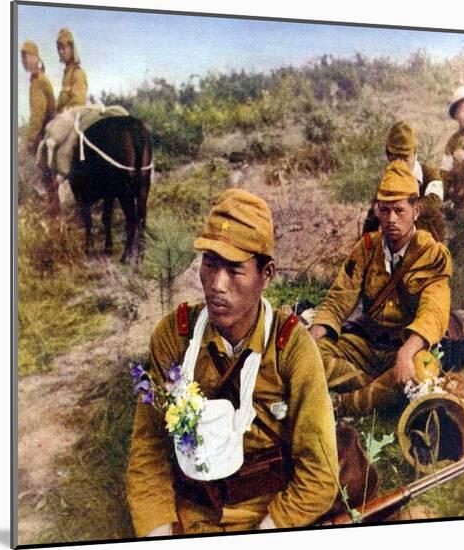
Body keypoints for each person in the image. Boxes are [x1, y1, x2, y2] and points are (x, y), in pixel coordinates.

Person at [127, 189, 338, 537]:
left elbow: (320, 471)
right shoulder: (174, 336)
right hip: (191, 514)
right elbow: (148, 451)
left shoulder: (291, 348)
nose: (216, 285)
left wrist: (270, 530)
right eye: (210, 264)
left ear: (266, 274)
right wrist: (158, 532)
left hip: (268, 513)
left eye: (234, 269)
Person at [310, 160, 452, 417]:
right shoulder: (366, 247)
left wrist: (406, 353)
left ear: (416, 210)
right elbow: (339, 299)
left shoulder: (431, 254)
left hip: (404, 348)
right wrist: (312, 336)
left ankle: (344, 404)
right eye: (384, 211)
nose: (391, 219)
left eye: (399, 210)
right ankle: (380, 390)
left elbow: (434, 312)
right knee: (311, 352)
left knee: (419, 371)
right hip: (366, 345)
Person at [363, 121, 445, 242]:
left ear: (415, 154)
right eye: (395, 157)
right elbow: (372, 220)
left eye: (405, 157)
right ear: (388, 155)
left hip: (428, 239)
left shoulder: (429, 174)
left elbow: (435, 201)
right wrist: (365, 245)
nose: (400, 163)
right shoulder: (388, 179)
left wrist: (406, 209)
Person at [440, 85, 464, 214]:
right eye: (461, 110)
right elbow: (445, 172)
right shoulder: (452, 141)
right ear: (456, 116)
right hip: (460, 191)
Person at [20, 40, 55, 154]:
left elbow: (37, 115)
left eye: (29, 56)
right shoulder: (40, 77)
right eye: (24, 58)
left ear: (36, 58)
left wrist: (28, 140)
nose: (26, 61)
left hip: (47, 131)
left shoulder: (38, 80)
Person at [56, 27, 88, 112]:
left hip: (72, 118)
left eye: (63, 47)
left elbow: (78, 103)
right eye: (59, 48)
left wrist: (60, 114)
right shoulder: (67, 75)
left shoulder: (77, 73)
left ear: (72, 48)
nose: (61, 52)